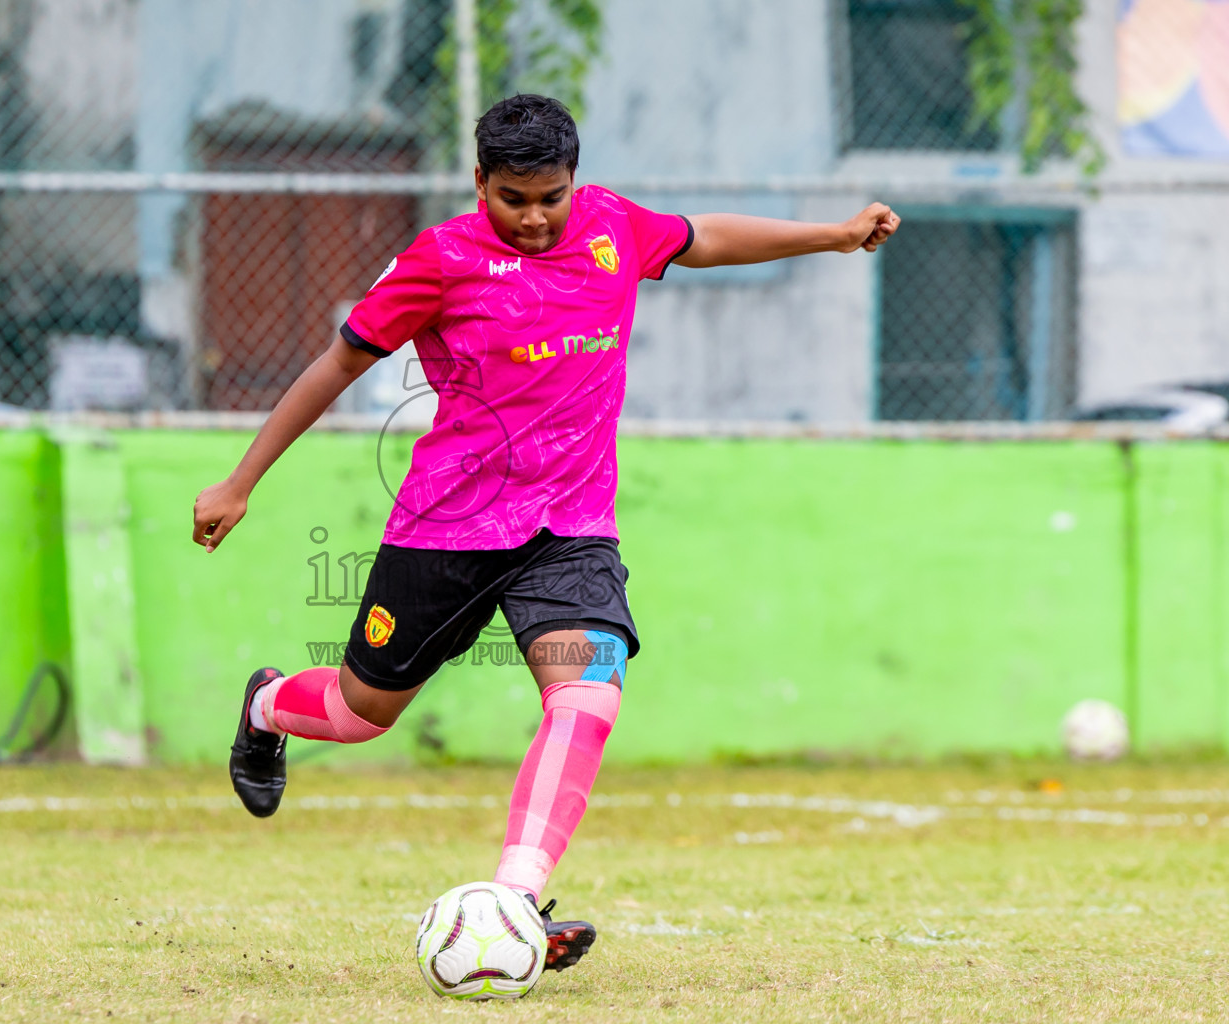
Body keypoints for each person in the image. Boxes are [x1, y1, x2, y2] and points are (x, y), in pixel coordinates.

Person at [192, 94, 900, 971]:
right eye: (513, 198)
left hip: (567, 531)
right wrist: (240, 479)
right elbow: (339, 363)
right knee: (358, 711)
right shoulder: (438, 260)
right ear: (480, 182)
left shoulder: (612, 226)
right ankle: (266, 705)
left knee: (588, 697)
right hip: (445, 530)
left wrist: (830, 236)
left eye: (551, 197)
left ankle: (515, 899)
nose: (533, 217)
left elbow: (703, 238)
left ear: (575, 183)